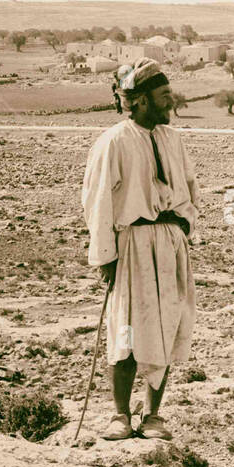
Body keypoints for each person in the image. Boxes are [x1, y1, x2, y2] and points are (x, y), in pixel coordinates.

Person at [81, 58, 199, 440]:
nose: (171, 103)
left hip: (169, 244)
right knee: (128, 330)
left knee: (166, 328)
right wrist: (105, 257)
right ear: (143, 100)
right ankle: (120, 416)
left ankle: (153, 417)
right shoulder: (114, 141)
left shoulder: (173, 139)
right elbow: (97, 200)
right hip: (131, 244)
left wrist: (184, 227)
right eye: (164, 97)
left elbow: (190, 187)